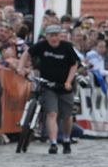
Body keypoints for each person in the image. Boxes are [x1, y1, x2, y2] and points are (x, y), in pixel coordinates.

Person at [17, 25, 79, 154]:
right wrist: (20, 67)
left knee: (67, 116)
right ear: (47, 36)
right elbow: (26, 54)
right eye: (51, 36)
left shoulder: (66, 47)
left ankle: (66, 139)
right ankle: (54, 143)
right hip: (48, 85)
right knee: (52, 113)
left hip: (64, 86)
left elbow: (74, 64)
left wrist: (68, 81)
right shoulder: (42, 46)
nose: (54, 38)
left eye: (56, 35)